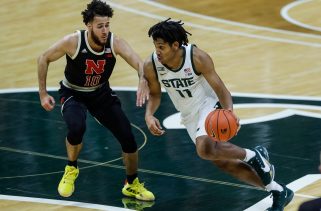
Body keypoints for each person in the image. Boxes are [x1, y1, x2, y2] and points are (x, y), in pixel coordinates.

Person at [143, 18, 293, 210]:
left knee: (204, 149)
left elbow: (221, 89)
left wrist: (229, 112)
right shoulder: (153, 64)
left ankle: (253, 155)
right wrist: (149, 114)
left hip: (209, 105)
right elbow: (155, 94)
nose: (157, 51)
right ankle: (279, 190)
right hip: (189, 115)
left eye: (161, 46)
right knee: (224, 163)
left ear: (175, 45)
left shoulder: (197, 57)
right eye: (155, 46)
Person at [37, 0, 154, 201]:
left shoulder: (115, 42)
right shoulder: (73, 41)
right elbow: (43, 58)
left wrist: (142, 77)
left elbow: (138, 61)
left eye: (107, 25)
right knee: (76, 127)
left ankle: (131, 184)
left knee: (128, 137)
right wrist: (43, 93)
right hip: (74, 92)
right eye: (100, 26)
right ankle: (71, 169)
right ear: (88, 25)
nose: (105, 30)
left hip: (100, 94)